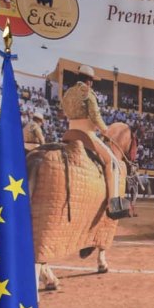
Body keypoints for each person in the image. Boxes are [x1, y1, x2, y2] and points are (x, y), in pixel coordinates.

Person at [60, 64, 120, 204]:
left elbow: (65, 111)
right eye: (92, 81)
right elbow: (95, 116)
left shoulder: (68, 92)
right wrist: (105, 130)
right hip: (86, 134)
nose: (91, 84)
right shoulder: (87, 92)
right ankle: (114, 204)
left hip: (69, 132)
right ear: (89, 81)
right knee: (112, 161)